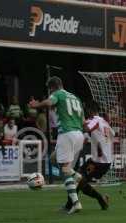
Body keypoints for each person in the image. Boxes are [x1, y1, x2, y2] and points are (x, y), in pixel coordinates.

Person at [29, 76, 85, 215]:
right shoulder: (74, 97)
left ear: (52, 87)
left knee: (65, 169)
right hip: (79, 134)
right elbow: (83, 121)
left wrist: (36, 105)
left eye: (49, 89)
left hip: (66, 133)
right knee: (54, 159)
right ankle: (77, 176)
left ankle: (76, 203)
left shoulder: (57, 93)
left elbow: (49, 102)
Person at [63, 105, 113, 211]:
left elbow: (87, 127)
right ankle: (101, 199)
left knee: (77, 179)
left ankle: (69, 205)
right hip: (103, 162)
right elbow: (109, 134)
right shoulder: (105, 123)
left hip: (98, 163)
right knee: (81, 183)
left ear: (90, 111)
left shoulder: (95, 120)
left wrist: (78, 119)